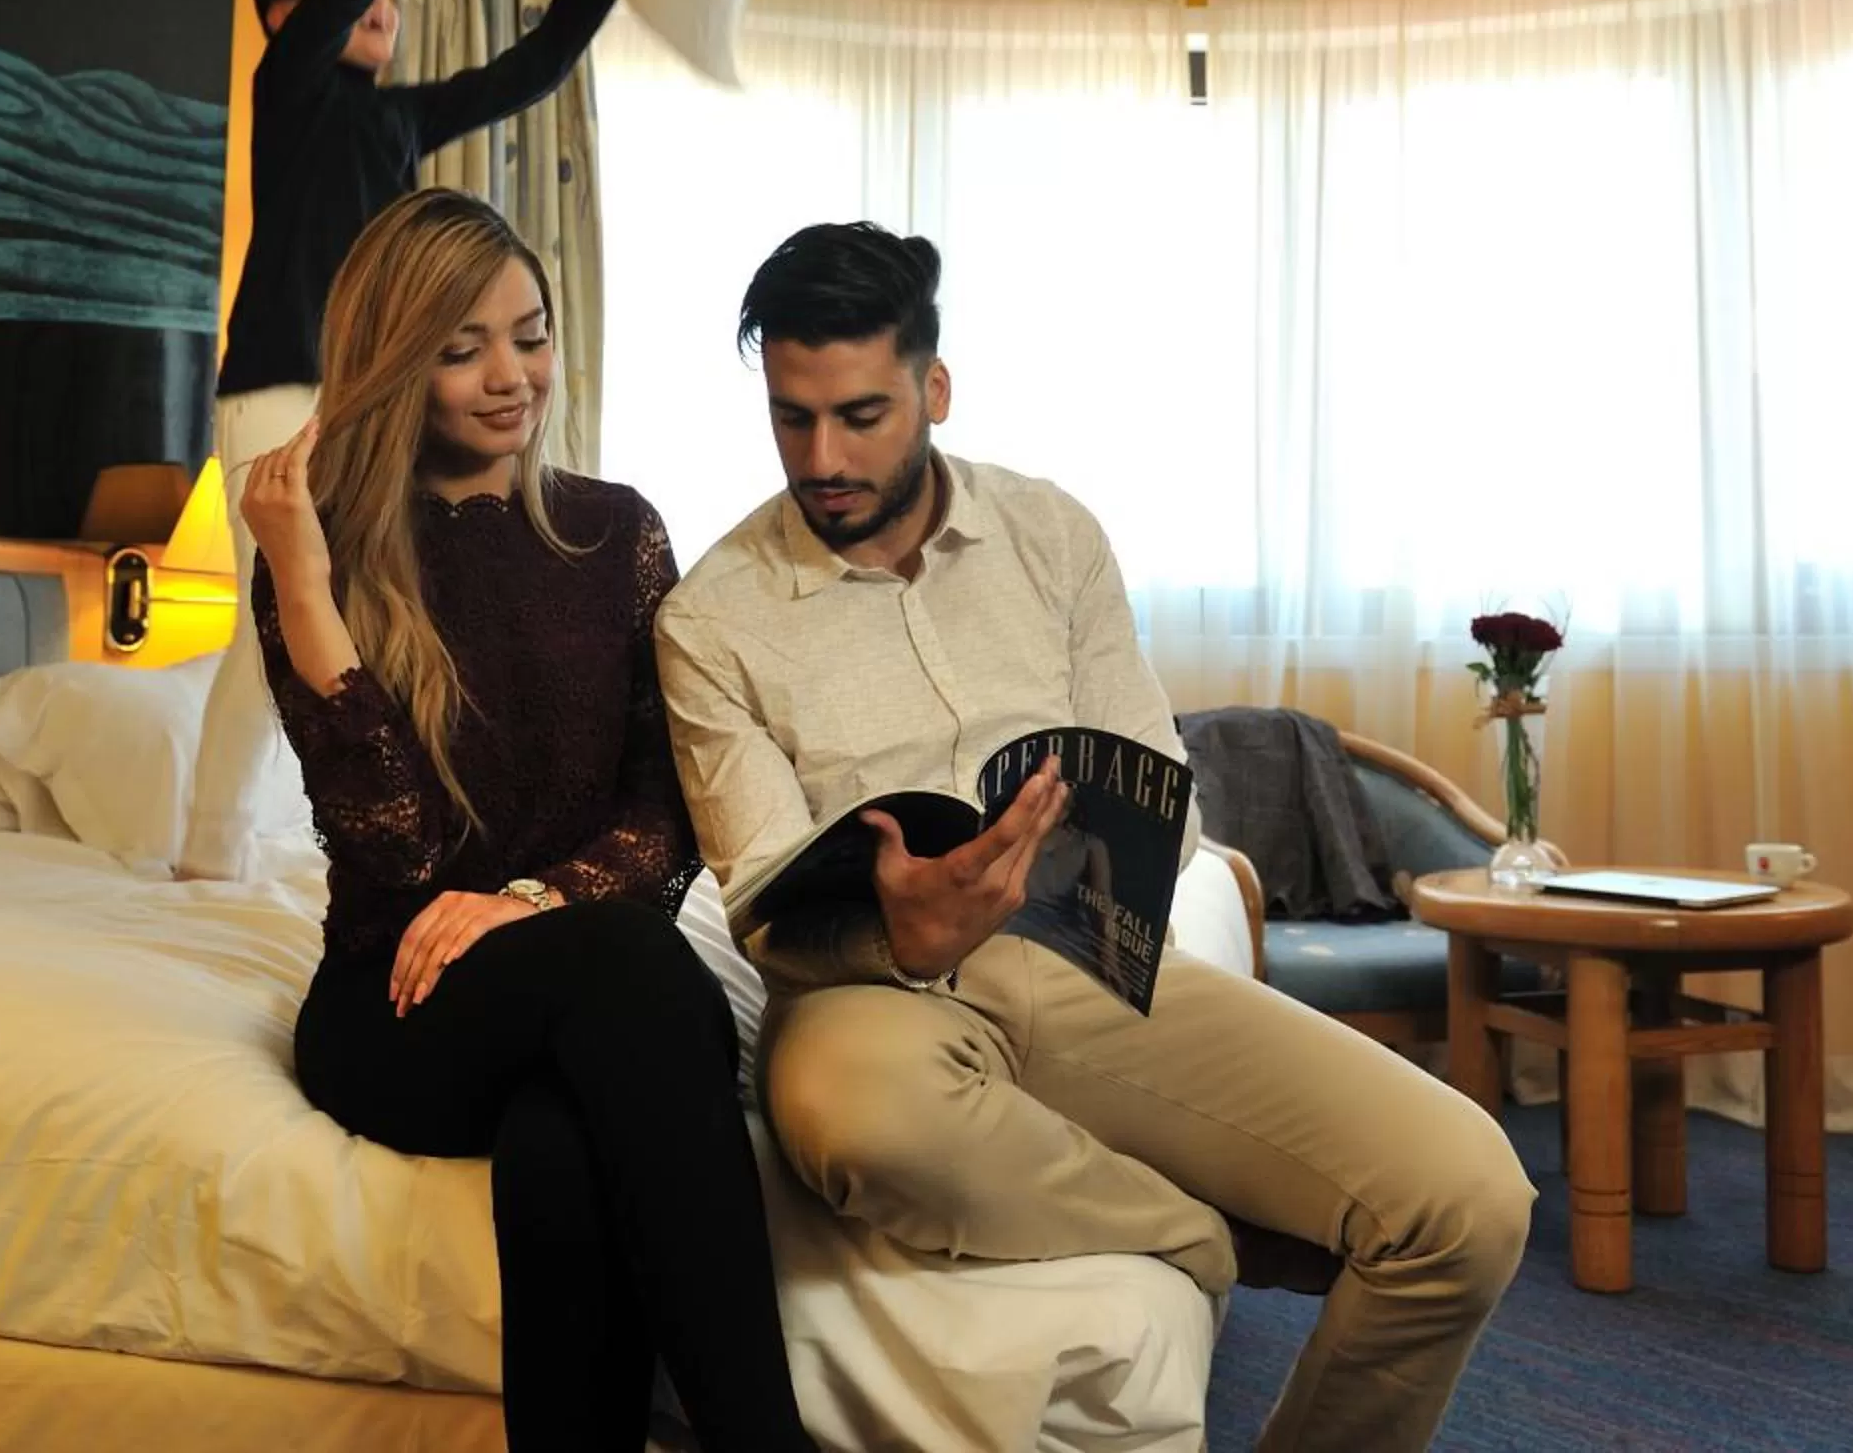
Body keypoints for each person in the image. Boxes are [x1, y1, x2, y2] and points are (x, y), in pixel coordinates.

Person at [653, 222, 1533, 1453]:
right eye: (792, 419)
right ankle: (1202, 1234)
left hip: (1089, 957)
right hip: (879, 991)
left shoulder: (1052, 535)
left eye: (860, 415)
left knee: (1472, 1200)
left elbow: (1155, 765)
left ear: (934, 387)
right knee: (854, 1121)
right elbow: (758, 895)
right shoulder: (710, 615)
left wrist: (1106, 851)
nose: (824, 457)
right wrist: (899, 930)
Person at [239, 189, 811, 1453]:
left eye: (530, 334)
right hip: (396, 1006)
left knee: (560, 1151)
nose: (513, 377)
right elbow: (388, 841)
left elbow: (666, 816)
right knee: (634, 970)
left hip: (577, 971)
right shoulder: (319, 555)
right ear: (395, 365)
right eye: (462, 349)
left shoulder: (619, 534)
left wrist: (526, 905)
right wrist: (302, 577)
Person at [192, 0, 616, 879]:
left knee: (383, 609)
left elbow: (524, 73)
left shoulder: (395, 118)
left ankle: (360, 824)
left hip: (372, 390)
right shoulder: (290, 91)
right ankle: (207, 857)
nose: (377, 1)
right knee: (268, 613)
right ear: (293, 21)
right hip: (279, 379)